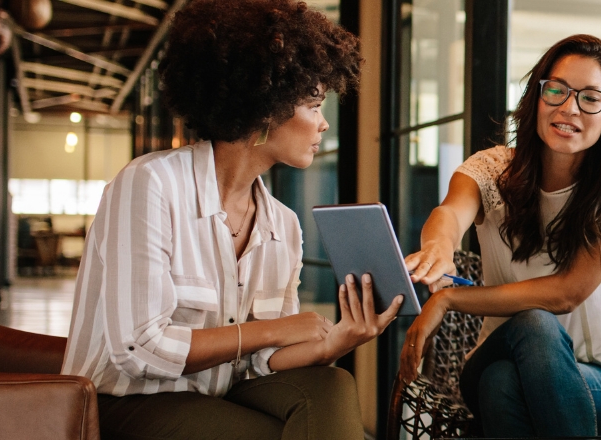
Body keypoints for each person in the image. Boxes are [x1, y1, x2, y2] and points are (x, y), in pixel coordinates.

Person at [60, 1, 396, 439]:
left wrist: (336, 343)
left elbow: (262, 363)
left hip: (220, 397)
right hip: (128, 402)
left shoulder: (283, 225)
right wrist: (272, 329)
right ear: (265, 105)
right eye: (314, 105)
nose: (324, 124)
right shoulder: (150, 184)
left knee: (332, 384)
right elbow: (137, 349)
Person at [396, 34, 601, 437]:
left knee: (505, 380)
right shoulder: (492, 169)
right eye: (557, 90)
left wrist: (449, 298)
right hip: (494, 354)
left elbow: (567, 293)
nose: (569, 108)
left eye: (590, 98)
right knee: (528, 331)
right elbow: (449, 213)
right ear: (536, 95)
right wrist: (437, 247)